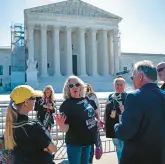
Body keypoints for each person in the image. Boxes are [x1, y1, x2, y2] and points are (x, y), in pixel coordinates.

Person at [114, 60, 165, 164]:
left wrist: (117, 126)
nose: (132, 81)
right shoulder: (162, 95)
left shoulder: (134, 97)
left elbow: (125, 132)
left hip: (137, 157)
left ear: (140, 76)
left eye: (133, 77)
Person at [4, 85, 57, 164]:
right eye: (33, 98)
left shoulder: (11, 125)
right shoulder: (34, 126)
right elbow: (53, 148)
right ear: (26, 102)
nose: (35, 100)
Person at [54, 75, 98, 164]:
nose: (74, 87)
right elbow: (65, 128)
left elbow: (93, 116)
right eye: (71, 86)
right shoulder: (66, 105)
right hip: (75, 143)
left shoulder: (87, 100)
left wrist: (97, 121)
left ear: (81, 86)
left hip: (88, 142)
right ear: (68, 89)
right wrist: (61, 125)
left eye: (77, 84)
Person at [104, 76, 127, 163]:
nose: (119, 86)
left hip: (124, 126)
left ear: (124, 85)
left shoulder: (128, 96)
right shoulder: (110, 96)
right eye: (117, 84)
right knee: (118, 147)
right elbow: (106, 110)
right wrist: (105, 123)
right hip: (112, 125)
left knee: (124, 147)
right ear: (114, 85)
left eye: (121, 84)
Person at [85, 83, 103, 164]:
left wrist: (98, 120)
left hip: (92, 124)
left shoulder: (92, 98)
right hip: (89, 126)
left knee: (91, 146)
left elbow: (97, 110)